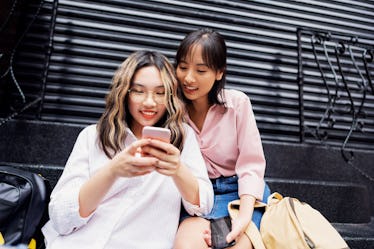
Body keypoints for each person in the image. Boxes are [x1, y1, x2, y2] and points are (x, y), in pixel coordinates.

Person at [41, 50, 214, 249]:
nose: (150, 102)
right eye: (139, 91)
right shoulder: (93, 137)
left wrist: (177, 170)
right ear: (125, 92)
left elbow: (203, 205)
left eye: (160, 93)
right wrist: (113, 171)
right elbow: (61, 218)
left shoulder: (182, 139)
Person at [173, 28, 271, 249]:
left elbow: (251, 166)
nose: (188, 78)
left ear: (219, 73)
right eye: (182, 67)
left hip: (240, 193)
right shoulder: (172, 111)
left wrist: (245, 217)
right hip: (195, 195)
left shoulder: (237, 104)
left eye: (201, 70)